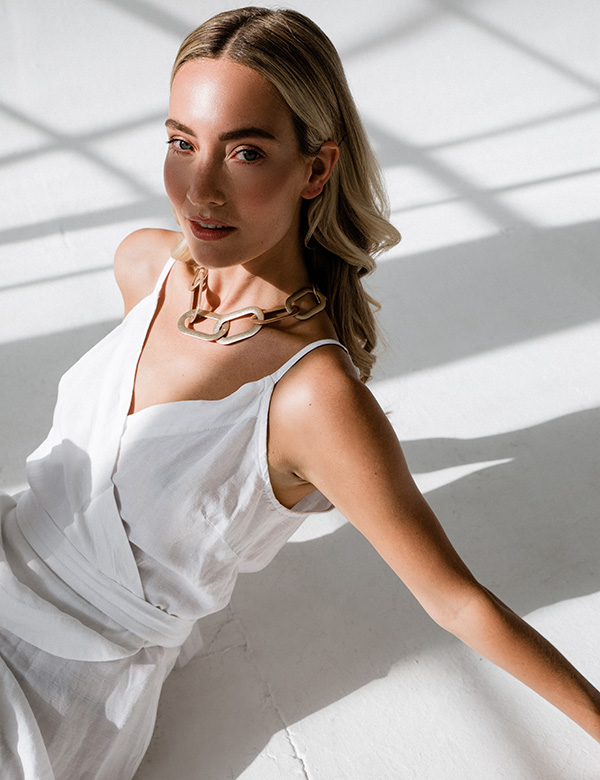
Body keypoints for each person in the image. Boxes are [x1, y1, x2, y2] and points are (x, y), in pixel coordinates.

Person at [0, 6, 598, 778]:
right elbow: (128, 457)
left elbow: (458, 602)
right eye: (182, 143)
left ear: (316, 170)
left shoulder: (313, 400)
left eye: (245, 152)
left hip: (60, 675)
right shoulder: (145, 265)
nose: (200, 188)